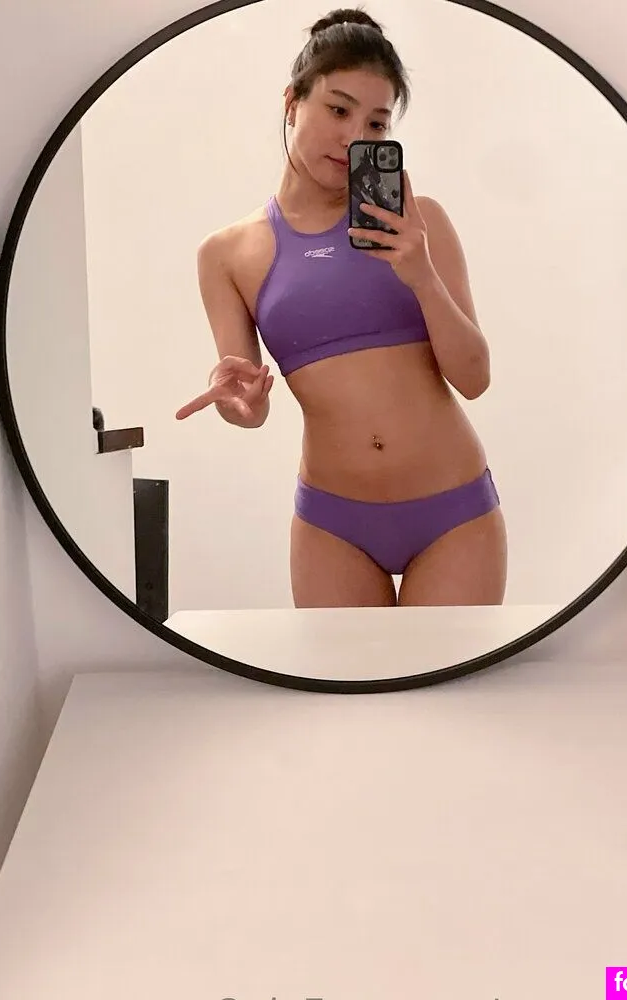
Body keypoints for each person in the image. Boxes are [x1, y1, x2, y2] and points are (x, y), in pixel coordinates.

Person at [176, 6, 508, 609]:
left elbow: (475, 378)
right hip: (333, 526)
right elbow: (246, 408)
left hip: (453, 514)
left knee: (452, 677)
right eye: (338, 110)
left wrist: (420, 274)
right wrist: (237, 400)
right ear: (292, 103)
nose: (355, 136)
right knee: (342, 676)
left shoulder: (421, 224)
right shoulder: (226, 255)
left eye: (376, 123)